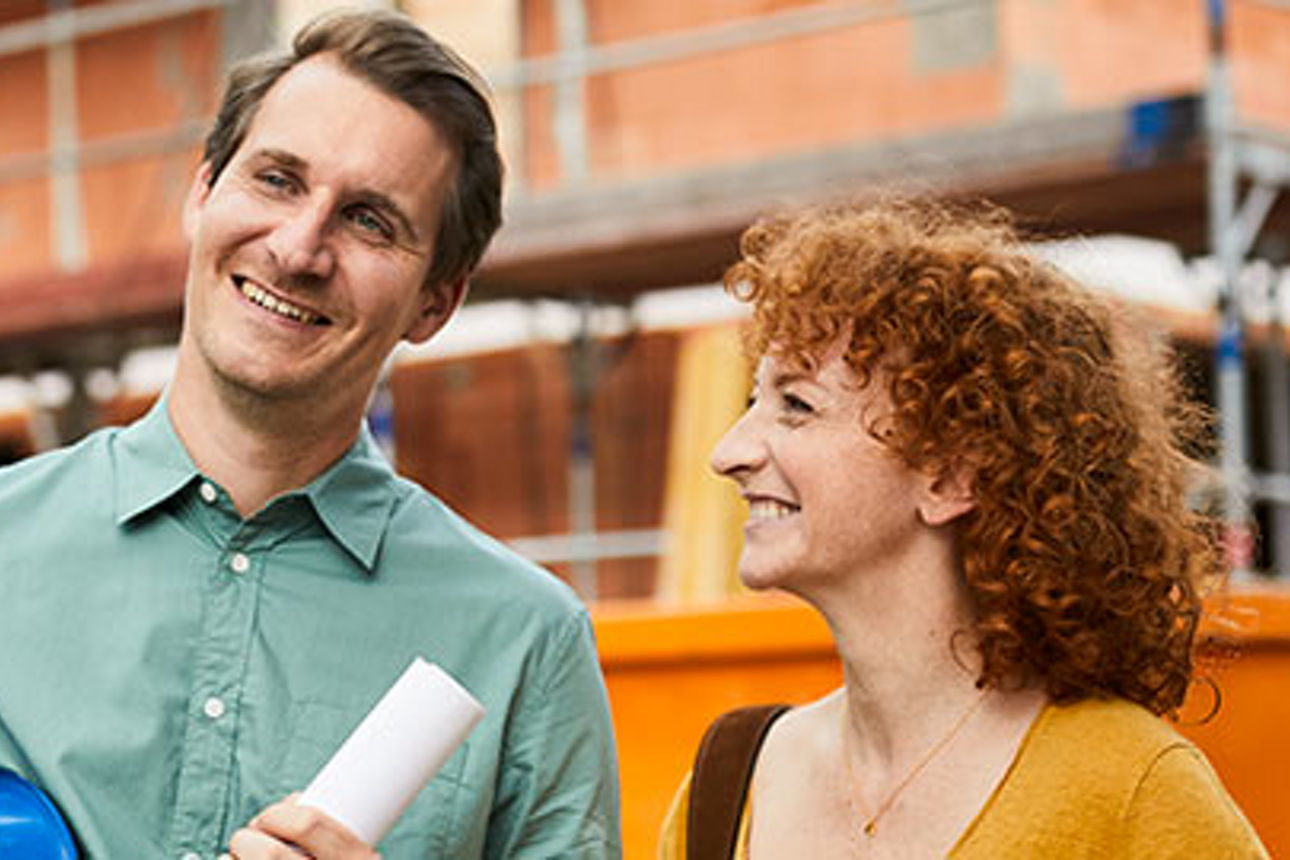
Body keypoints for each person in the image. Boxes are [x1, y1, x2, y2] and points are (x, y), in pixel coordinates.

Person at [0, 10, 620, 859]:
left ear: (436, 302)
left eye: (369, 220)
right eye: (278, 180)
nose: (298, 248)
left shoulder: (524, 643)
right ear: (202, 192)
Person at [659, 197, 1268, 857]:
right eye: (755, 401)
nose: (729, 452)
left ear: (951, 475)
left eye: (798, 405)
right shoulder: (725, 790)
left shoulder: (1132, 793)